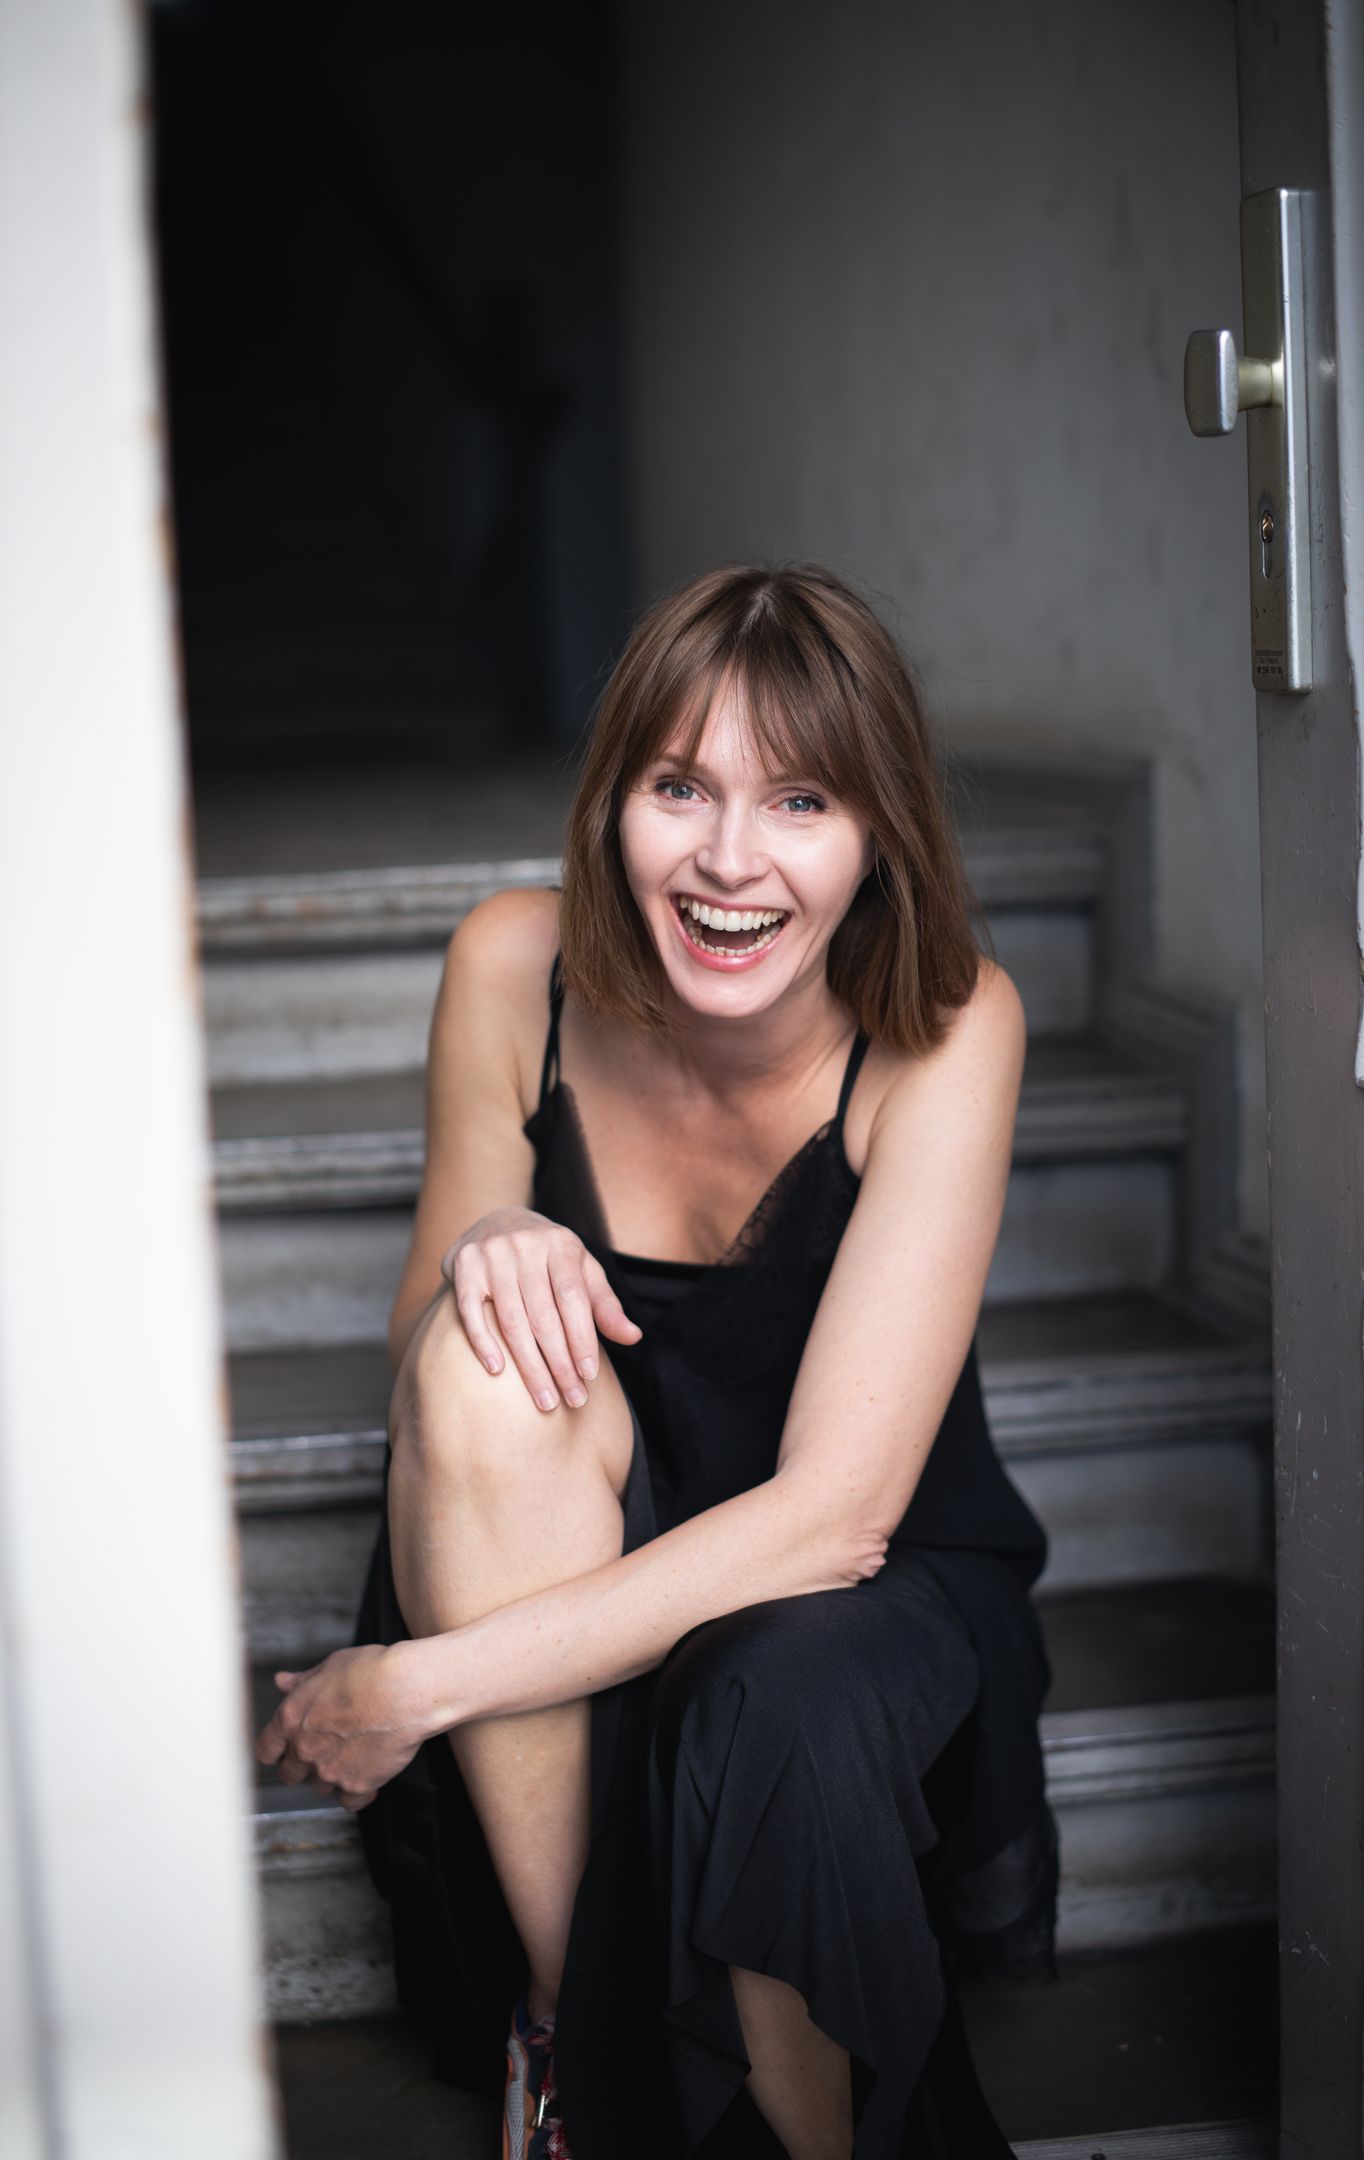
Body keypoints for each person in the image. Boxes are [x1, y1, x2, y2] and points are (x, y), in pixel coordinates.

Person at [256, 563, 1056, 2160]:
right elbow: (424, 1386)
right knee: (480, 1358)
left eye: (802, 800)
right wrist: (491, 1243)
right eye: (679, 786)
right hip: (554, 1535)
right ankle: (580, 2051)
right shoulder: (513, 964)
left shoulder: (951, 1025)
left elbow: (836, 1519)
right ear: (610, 800)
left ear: (880, 836)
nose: (729, 860)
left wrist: (410, 1687)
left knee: (774, 1704)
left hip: (853, 1569)